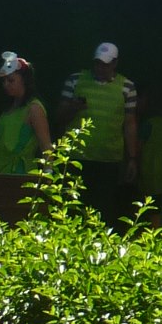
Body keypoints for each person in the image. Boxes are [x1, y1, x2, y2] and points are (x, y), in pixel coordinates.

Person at [56, 41, 139, 219]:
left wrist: (132, 158)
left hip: (109, 160)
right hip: (76, 157)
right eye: (98, 63)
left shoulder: (127, 87)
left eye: (105, 64)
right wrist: (73, 108)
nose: (101, 68)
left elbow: (130, 124)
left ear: (115, 63)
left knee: (103, 210)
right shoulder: (75, 80)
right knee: (72, 209)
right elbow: (59, 117)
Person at [0, 52, 50, 174]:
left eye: (11, 80)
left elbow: (46, 147)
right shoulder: (8, 108)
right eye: (4, 81)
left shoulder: (34, 108)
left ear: (24, 80)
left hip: (20, 174)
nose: (6, 85)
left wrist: (48, 176)